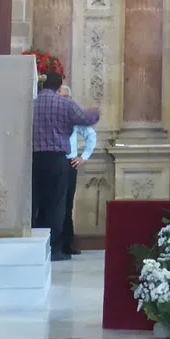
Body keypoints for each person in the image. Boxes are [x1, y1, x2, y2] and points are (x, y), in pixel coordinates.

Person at [31, 72, 98, 261]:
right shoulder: (64, 104)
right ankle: (55, 249)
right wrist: (96, 112)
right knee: (57, 206)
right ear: (59, 87)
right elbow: (86, 119)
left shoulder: (32, 104)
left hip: (35, 159)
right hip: (58, 159)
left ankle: (37, 247)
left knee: (38, 204)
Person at [59, 85, 97, 256]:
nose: (64, 100)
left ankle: (67, 243)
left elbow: (90, 135)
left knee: (67, 205)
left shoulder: (73, 118)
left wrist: (84, 157)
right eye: (61, 96)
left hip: (69, 164)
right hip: (53, 160)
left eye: (67, 97)